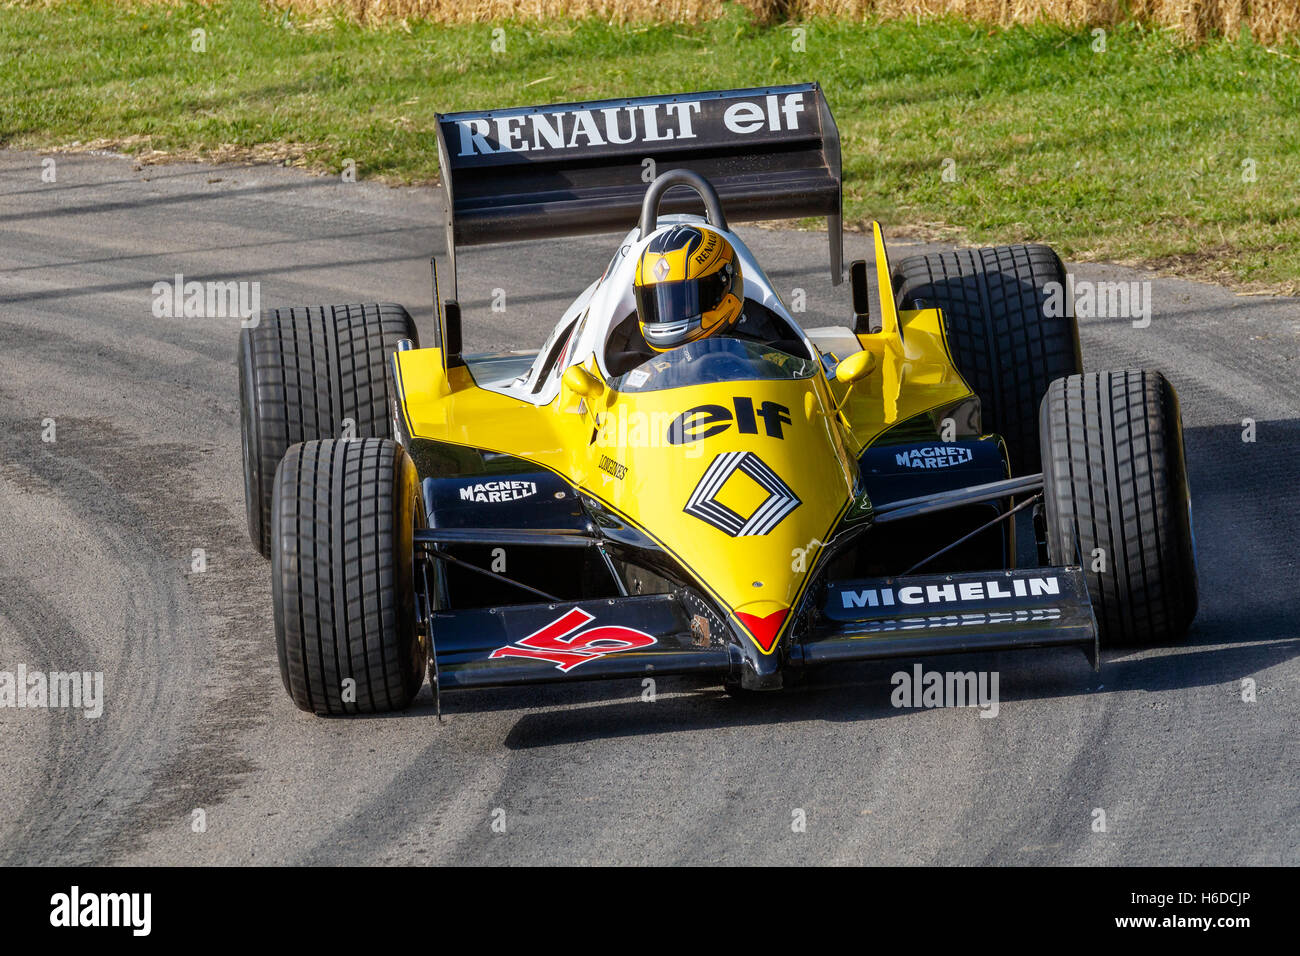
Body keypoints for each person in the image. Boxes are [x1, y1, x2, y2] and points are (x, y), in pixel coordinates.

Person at [606, 224, 809, 377]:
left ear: (723, 288)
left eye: (681, 300)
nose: (669, 311)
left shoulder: (780, 350)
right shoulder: (622, 364)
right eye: (655, 302)